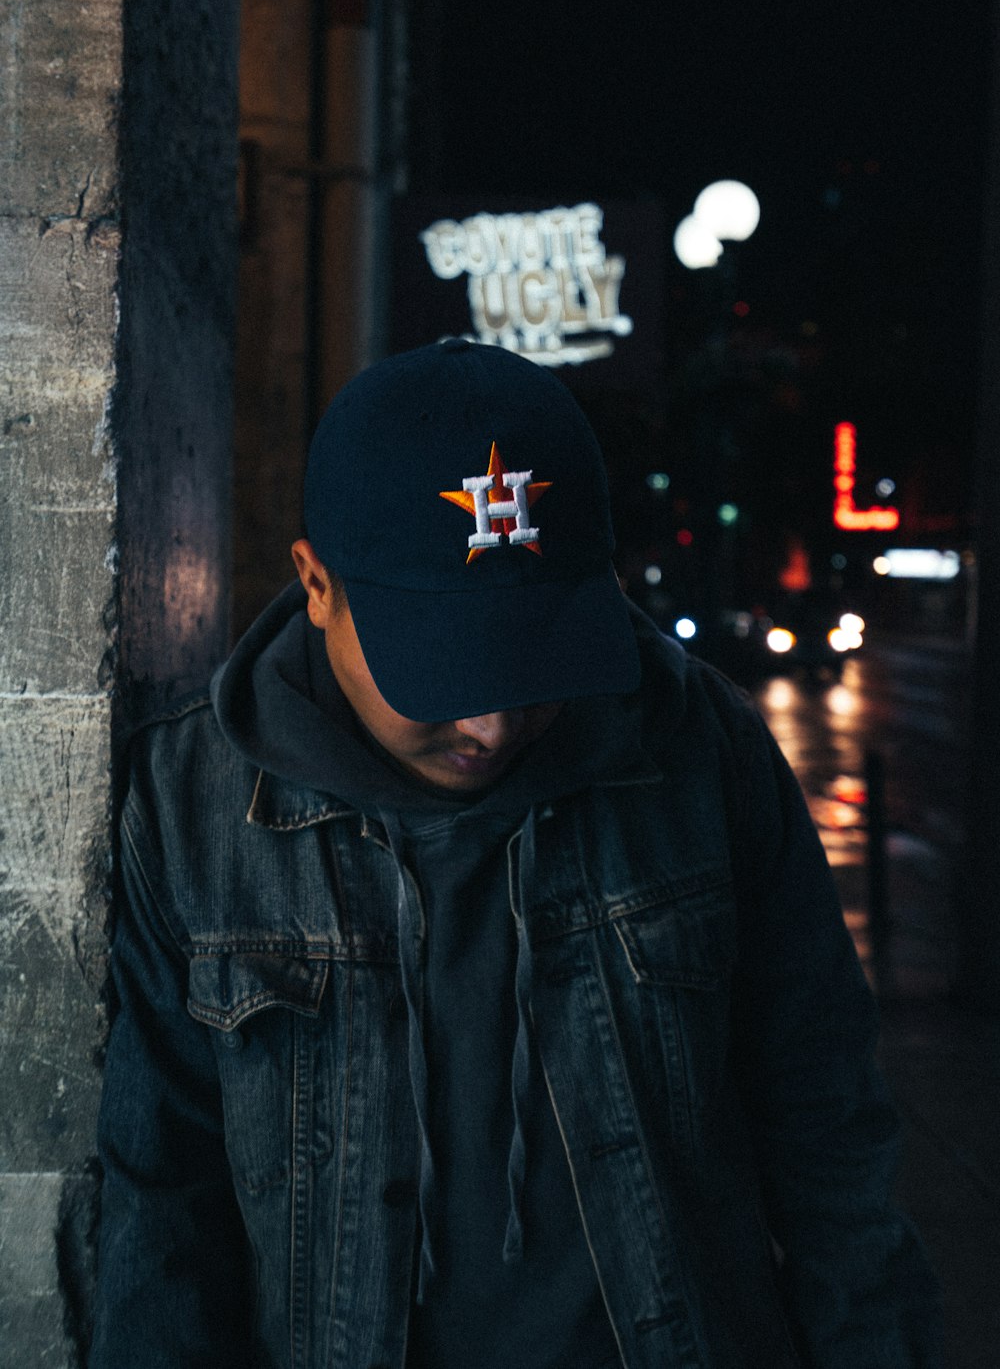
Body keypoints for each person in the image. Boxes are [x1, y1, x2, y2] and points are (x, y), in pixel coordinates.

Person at [91, 338, 941, 1369]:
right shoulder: (190, 809)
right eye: (444, 672)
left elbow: (829, 1135)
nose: (493, 726)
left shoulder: (696, 750)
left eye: (536, 660)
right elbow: (158, 1217)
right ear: (317, 586)